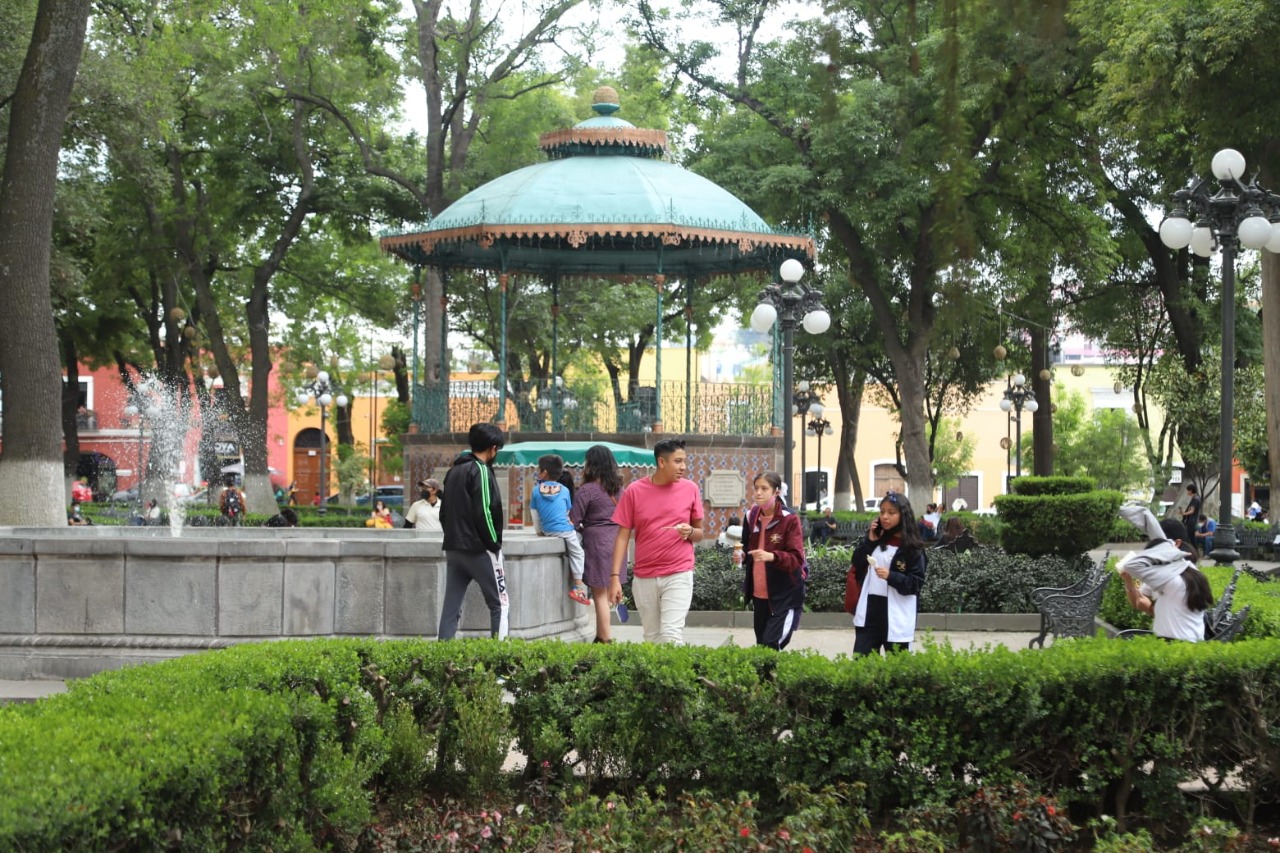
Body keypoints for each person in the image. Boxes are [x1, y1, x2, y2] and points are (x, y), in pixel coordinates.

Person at [608, 438, 705, 644]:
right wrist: (615, 577)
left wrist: (690, 531)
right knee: (652, 638)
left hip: (679, 572)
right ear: (661, 462)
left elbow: (699, 533)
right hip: (644, 576)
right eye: (678, 461)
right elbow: (622, 536)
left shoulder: (691, 489)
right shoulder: (634, 491)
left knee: (670, 635)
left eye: (684, 461)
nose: (683, 467)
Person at [439, 422, 509, 640]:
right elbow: (485, 511)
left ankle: (442, 655)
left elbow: (443, 513)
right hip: (479, 550)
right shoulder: (481, 470)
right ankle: (501, 659)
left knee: (451, 608)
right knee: (500, 604)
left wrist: (453, 536)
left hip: (454, 548)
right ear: (493, 448)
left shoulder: (453, 471)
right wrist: (494, 545)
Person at [1117, 505, 1214, 642]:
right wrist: (1128, 581)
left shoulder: (1168, 577)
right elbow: (1140, 603)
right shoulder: (1188, 569)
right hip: (1192, 641)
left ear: (1175, 544)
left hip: (1172, 642)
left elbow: (1132, 566)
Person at [846, 492, 927, 656]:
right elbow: (857, 563)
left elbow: (915, 584)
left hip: (897, 616)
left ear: (903, 515)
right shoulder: (876, 539)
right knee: (862, 663)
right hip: (869, 613)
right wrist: (869, 542)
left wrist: (891, 576)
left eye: (891, 512)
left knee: (898, 667)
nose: (885, 517)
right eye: (882, 512)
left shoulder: (913, 549)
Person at [737, 471, 806, 650]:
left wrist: (772, 556)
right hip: (759, 594)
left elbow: (797, 558)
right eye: (756, 488)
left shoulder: (789, 519)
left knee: (771, 644)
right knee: (762, 647)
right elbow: (747, 548)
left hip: (784, 595)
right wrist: (742, 556)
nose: (758, 493)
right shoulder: (751, 516)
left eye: (764, 488)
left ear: (776, 492)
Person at [571, 444, 624, 643]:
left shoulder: (587, 490)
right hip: (618, 542)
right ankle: (603, 635)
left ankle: (604, 639)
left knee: (599, 594)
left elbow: (573, 520)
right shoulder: (620, 490)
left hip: (597, 543)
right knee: (609, 591)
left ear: (590, 464)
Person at [531, 454, 589, 606]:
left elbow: (535, 514)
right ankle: (578, 587)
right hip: (564, 530)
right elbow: (567, 511)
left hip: (548, 530)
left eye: (538, 470)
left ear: (544, 473)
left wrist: (539, 531)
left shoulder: (536, 491)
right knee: (578, 552)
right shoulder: (564, 491)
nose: (537, 472)